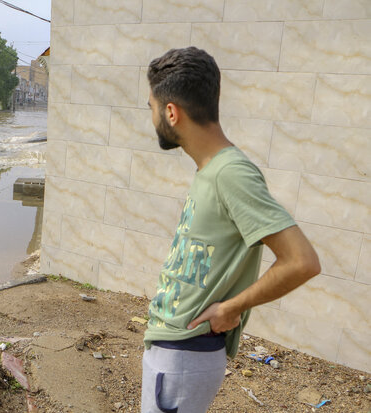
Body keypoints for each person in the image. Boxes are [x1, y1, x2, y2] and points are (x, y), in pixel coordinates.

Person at [141, 47, 321, 413]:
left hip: (186, 353)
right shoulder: (210, 170)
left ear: (171, 112)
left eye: (152, 108)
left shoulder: (231, 172)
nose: (153, 117)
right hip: (175, 352)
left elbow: (301, 261)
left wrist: (232, 307)